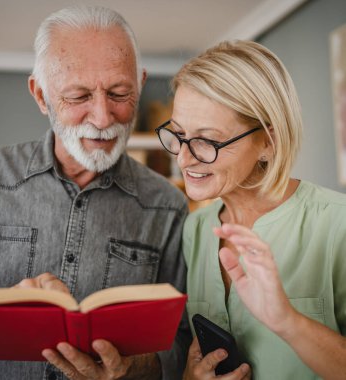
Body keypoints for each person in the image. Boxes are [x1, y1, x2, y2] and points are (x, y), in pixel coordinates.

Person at [0, 5, 191, 379]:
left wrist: (131, 367)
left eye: (120, 93)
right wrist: (0, 321)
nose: (103, 118)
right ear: (41, 95)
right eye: (79, 96)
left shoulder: (168, 207)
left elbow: (181, 344)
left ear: (140, 82)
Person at [155, 40, 346, 379]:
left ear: (268, 141)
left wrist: (288, 320)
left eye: (208, 140)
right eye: (180, 134)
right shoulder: (195, 230)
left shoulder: (337, 224)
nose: (183, 158)